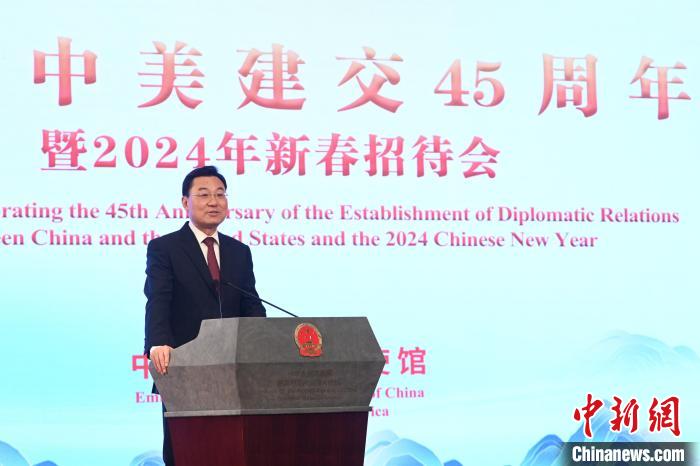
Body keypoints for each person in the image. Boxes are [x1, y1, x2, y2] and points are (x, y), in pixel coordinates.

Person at [144, 165, 266, 465]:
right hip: (185, 367)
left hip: (236, 371)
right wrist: (158, 342)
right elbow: (158, 298)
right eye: (204, 194)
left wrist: (266, 342)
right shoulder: (165, 248)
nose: (214, 201)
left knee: (236, 450)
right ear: (185, 202)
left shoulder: (239, 251)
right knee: (186, 450)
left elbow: (251, 304)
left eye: (220, 194)